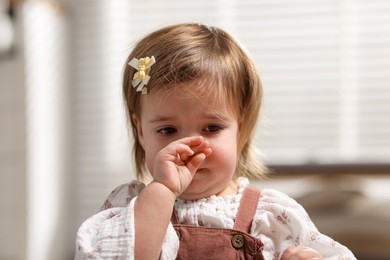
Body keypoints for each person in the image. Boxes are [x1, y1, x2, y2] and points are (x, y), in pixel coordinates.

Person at [75, 23, 356, 260]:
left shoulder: (273, 215)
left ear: (240, 130)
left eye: (211, 127)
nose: (187, 147)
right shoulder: (128, 206)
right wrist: (162, 190)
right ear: (140, 131)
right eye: (168, 130)